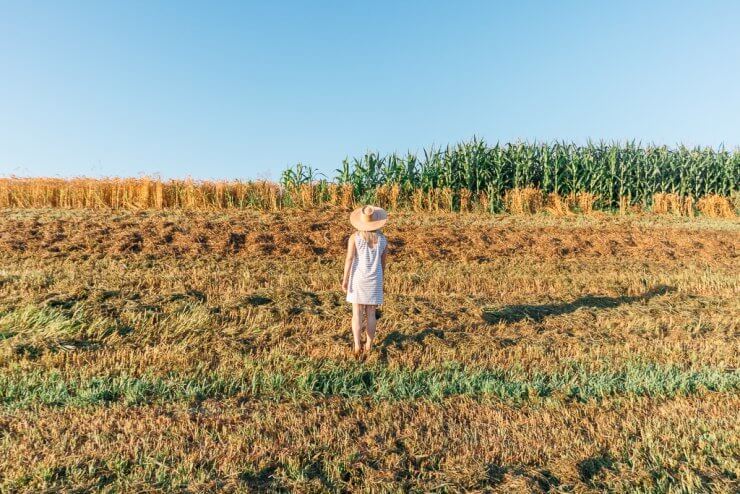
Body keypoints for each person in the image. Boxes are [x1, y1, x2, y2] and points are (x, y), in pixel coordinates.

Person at [341, 205, 388, 358]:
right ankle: (369, 344)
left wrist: (345, 278)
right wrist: (381, 280)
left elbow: (349, 258)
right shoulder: (383, 240)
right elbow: (383, 264)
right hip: (375, 279)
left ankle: (356, 345)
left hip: (358, 279)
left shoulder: (355, 237)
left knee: (357, 314)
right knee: (371, 314)